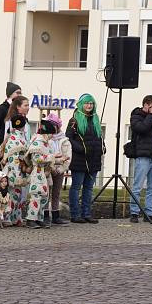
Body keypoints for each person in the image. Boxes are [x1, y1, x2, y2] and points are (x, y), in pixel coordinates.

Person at [66, 94, 104, 224]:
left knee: (88, 188)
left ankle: (86, 213)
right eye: (87, 103)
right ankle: (75, 214)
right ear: (81, 104)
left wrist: (102, 147)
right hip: (79, 159)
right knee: (76, 187)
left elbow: (99, 137)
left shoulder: (95, 119)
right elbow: (68, 138)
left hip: (93, 159)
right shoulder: (74, 120)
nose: (89, 106)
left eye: (91, 103)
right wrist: (80, 148)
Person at [128, 95, 152, 224]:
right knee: (137, 186)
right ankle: (134, 212)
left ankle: (150, 212)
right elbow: (142, 129)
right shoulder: (136, 116)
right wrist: (151, 115)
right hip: (143, 156)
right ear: (145, 105)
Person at [0, 99, 31, 226]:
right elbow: (22, 156)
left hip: (12, 171)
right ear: (23, 126)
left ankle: (15, 218)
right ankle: (9, 218)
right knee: (14, 196)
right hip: (17, 172)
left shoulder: (11, 138)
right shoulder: (20, 139)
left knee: (14, 195)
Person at [25, 118, 54, 229]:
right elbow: (37, 159)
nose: (52, 136)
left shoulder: (46, 144)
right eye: (51, 133)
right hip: (37, 173)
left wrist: (59, 159)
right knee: (36, 196)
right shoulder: (37, 143)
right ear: (47, 133)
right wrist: (51, 157)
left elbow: (48, 158)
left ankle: (39, 218)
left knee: (43, 197)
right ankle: (30, 219)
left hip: (43, 174)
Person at [44, 113, 71, 225]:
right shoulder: (45, 139)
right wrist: (51, 167)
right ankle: (45, 215)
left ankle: (56, 215)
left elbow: (68, 156)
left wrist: (62, 168)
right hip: (48, 169)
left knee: (56, 193)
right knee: (46, 193)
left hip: (59, 169)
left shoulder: (65, 140)